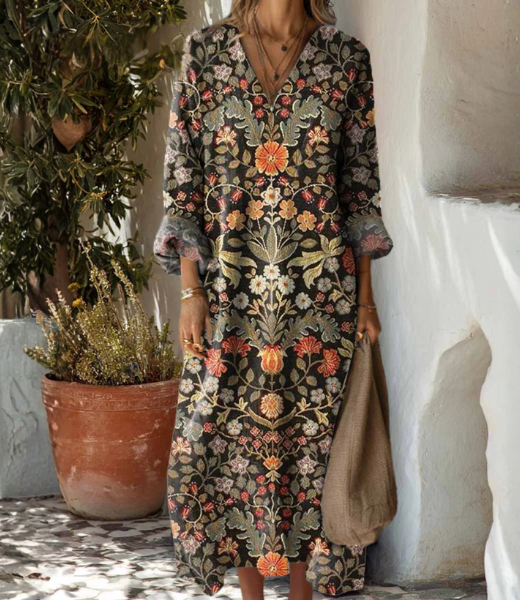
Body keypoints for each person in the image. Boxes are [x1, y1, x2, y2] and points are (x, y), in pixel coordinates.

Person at [152, 0, 394, 598]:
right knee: (222, 448)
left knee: (312, 453)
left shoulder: (345, 60)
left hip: (320, 299)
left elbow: (360, 189)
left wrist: (365, 302)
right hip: (229, 295)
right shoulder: (206, 54)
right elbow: (184, 181)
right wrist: (190, 290)